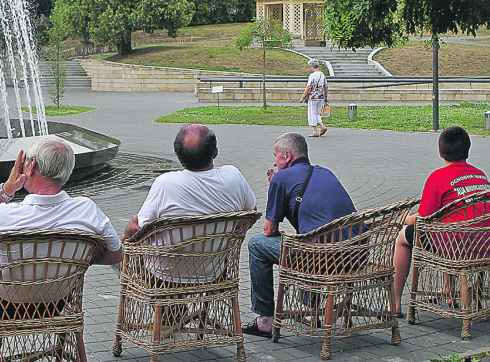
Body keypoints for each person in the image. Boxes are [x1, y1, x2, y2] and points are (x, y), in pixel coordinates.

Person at [243, 132, 356, 338]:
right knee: (307, 241)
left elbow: (269, 231)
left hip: (324, 259)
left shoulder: (282, 177)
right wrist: (278, 189)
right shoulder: (325, 172)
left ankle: (265, 320)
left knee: (257, 245)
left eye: (275, 155)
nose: (274, 161)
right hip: (355, 255)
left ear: (287, 156)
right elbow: (312, 221)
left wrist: (276, 187)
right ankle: (310, 312)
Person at [0, 135, 123, 265]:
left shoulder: (4, 215)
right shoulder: (88, 210)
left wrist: (6, 191)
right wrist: (77, 261)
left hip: (1, 301)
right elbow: (116, 255)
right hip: (59, 298)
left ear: (32, 165)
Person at [392, 127, 490, 315]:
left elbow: (421, 218)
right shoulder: (481, 176)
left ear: (440, 151)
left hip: (457, 248)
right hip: (484, 244)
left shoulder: (438, 177)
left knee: (403, 237)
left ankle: (394, 303)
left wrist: (404, 219)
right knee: (451, 223)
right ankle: (448, 291)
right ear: (468, 149)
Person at [121, 124, 256, 242]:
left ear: (176, 153)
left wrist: (125, 235)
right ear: (215, 152)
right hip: (218, 267)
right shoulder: (233, 176)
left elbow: (140, 226)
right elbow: (251, 213)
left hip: (166, 270)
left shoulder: (165, 184)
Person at [301, 59, 328, 137]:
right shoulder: (322, 74)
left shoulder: (312, 75)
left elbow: (308, 87)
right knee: (317, 113)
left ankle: (315, 131)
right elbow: (326, 86)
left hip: (313, 96)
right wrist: (326, 96)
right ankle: (322, 126)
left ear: (312, 66)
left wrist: (303, 97)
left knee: (312, 113)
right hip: (321, 96)